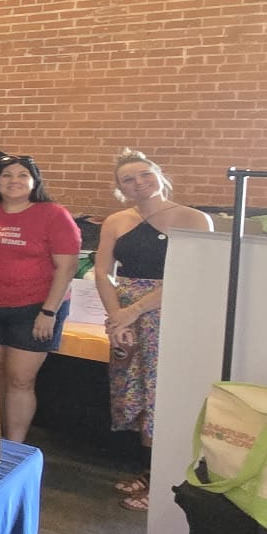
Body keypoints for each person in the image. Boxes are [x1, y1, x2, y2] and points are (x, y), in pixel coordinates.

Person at [95, 150, 210, 511]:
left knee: (163, 395)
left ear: (159, 175)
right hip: (127, 318)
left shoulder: (193, 219)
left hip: (171, 313)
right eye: (127, 179)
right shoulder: (116, 221)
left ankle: (167, 480)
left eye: (145, 174)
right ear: (120, 188)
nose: (138, 183)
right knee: (136, 393)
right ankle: (150, 470)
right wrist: (117, 317)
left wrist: (133, 311)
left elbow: (191, 273)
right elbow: (102, 272)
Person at [0, 155, 82, 442]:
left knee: (20, 379)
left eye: (22, 175)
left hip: (34, 309)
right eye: (6, 175)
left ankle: (14, 447)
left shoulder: (54, 214)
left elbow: (66, 268)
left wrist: (49, 312)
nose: (13, 181)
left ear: (34, 181)